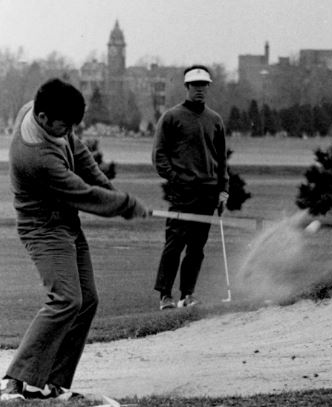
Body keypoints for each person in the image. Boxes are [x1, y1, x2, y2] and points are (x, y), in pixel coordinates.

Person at [0, 78, 148, 401]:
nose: (68, 131)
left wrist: (114, 192)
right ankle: (15, 380)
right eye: (63, 125)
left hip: (66, 222)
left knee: (88, 300)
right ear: (42, 119)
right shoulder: (35, 157)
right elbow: (80, 193)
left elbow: (81, 156)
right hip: (43, 229)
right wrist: (125, 205)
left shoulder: (47, 116)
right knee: (66, 299)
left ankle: (53, 382)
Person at [152, 65, 229, 310]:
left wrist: (223, 189)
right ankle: (165, 295)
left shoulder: (214, 119)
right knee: (174, 243)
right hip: (183, 191)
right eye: (195, 85)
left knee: (197, 247)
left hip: (208, 191)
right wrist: (175, 178)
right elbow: (159, 155)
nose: (200, 90)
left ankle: (188, 294)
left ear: (208, 87)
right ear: (187, 87)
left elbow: (222, 160)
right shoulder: (172, 117)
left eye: (204, 85)